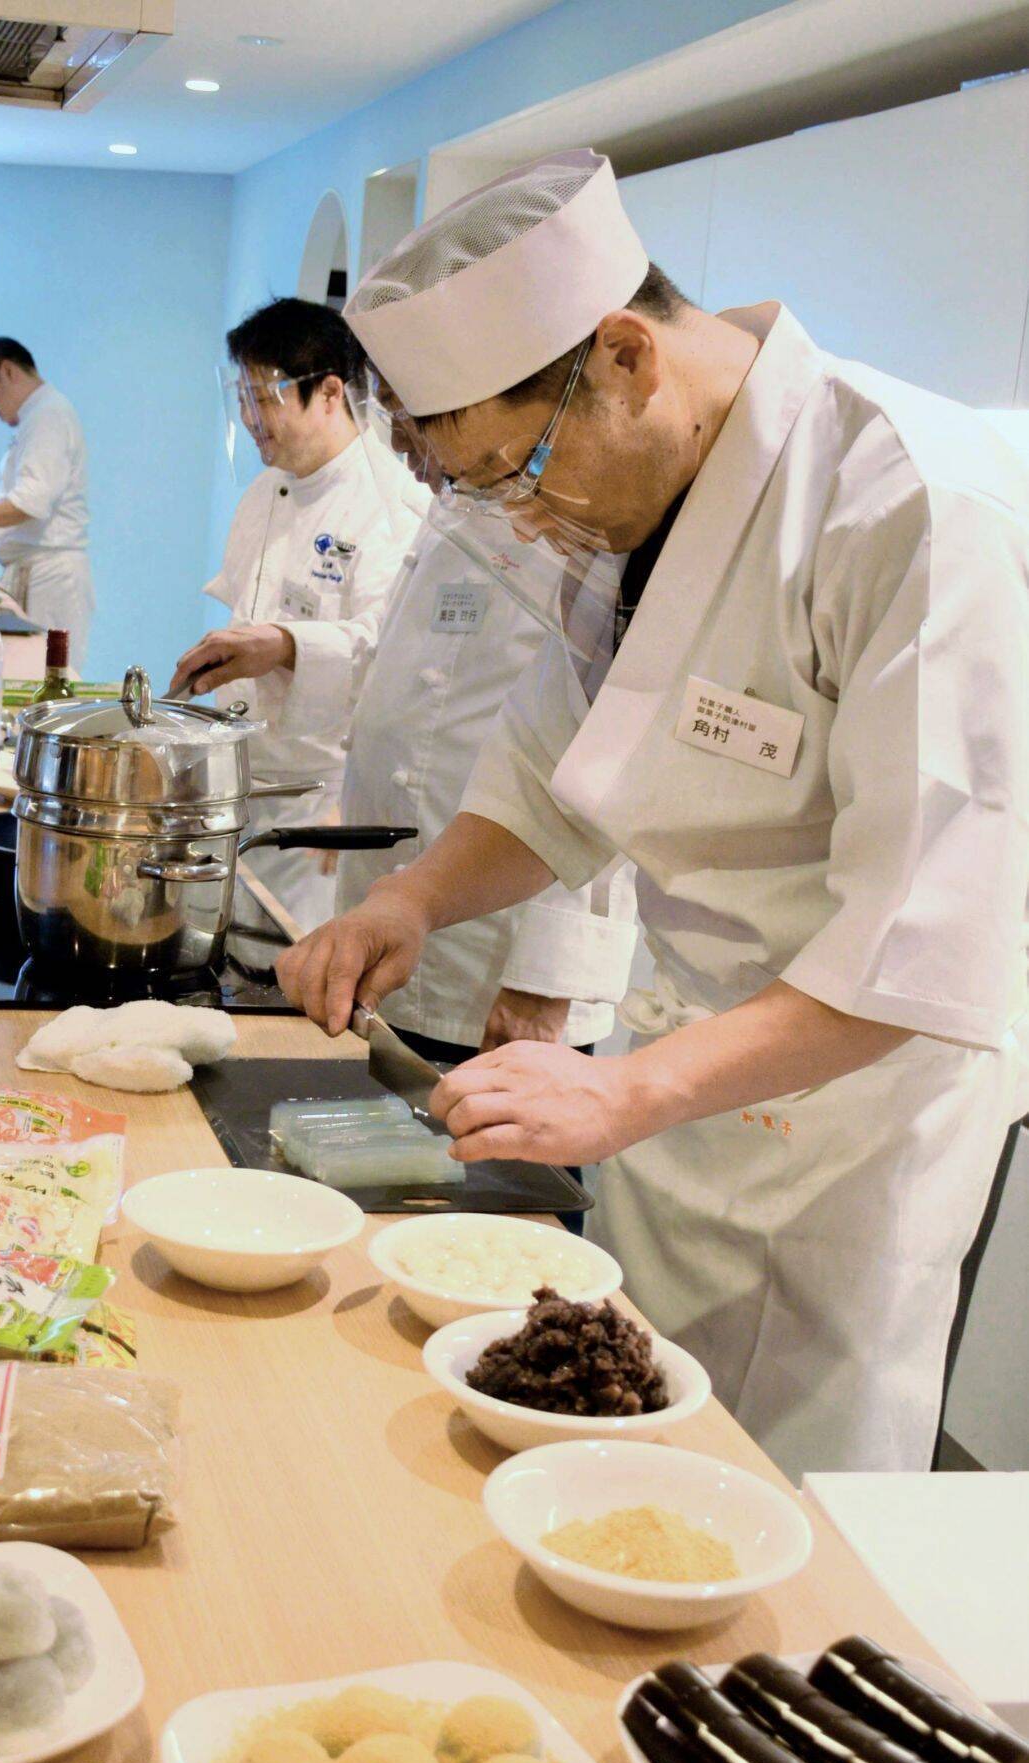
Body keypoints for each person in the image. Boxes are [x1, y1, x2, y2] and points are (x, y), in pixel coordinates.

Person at [278, 147, 1029, 1480]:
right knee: (620, 1433)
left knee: (785, 1490)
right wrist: (413, 898)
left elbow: (919, 943)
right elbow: (551, 780)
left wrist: (630, 1086)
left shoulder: (908, 506)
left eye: (516, 471)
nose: (521, 521)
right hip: (671, 1077)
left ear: (623, 356)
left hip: (843, 1122)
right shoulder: (625, 506)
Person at [339, 376, 638, 1064]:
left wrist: (549, 977)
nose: (397, 442)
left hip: (502, 962)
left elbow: (601, 756)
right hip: (403, 918)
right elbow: (399, 673)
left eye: (407, 417)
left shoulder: (581, 512)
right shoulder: (452, 502)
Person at [170, 299, 418, 934]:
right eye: (242, 400)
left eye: (264, 398)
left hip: (325, 806)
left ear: (330, 393)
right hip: (245, 783)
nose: (250, 419)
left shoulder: (391, 503)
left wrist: (283, 645)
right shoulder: (264, 493)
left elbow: (387, 653)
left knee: (294, 960)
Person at [0, 337, 94, 670]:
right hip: (37, 570)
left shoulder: (48, 416)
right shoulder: (39, 417)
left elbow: (31, 501)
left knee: (46, 677)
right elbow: (32, 506)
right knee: (29, 675)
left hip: (49, 577)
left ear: (8, 371)